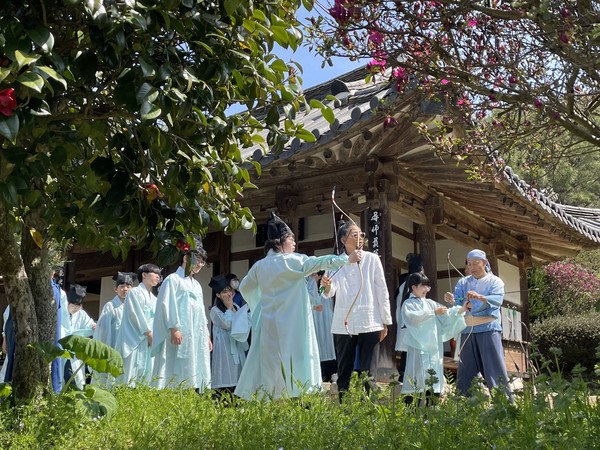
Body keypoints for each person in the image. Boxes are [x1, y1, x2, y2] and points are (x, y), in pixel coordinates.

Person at [234, 211, 362, 400]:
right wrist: (346, 259)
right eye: (291, 240)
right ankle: (297, 399)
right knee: (297, 361)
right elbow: (320, 262)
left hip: (270, 325)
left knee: (272, 364)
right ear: (281, 242)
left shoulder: (259, 266)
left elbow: (245, 287)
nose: (294, 244)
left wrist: (259, 304)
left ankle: (271, 400)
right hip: (293, 324)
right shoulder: (293, 261)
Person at [322, 220, 393, 399]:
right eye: (355, 234)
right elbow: (327, 293)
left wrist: (385, 321)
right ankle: (344, 410)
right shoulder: (335, 261)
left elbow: (381, 289)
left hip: (370, 321)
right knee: (344, 370)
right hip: (343, 322)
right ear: (343, 240)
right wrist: (326, 285)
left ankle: (368, 410)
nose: (360, 237)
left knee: (369, 371)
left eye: (361, 234)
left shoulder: (372, 259)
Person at [444, 249, 513, 401]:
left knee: (494, 369)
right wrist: (452, 299)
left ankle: (505, 407)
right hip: (467, 330)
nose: (472, 267)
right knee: (465, 372)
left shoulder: (495, 282)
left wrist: (481, 298)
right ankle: (464, 406)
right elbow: (459, 301)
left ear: (485, 263)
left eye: (476, 263)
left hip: (488, 330)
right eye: (470, 264)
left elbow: (496, 301)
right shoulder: (463, 282)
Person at [401, 272, 469, 406]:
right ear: (413, 287)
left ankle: (430, 415)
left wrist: (461, 310)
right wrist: (433, 313)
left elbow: (447, 315)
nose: (426, 289)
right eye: (423, 286)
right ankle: (411, 412)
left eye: (428, 286)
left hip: (434, 348)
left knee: (434, 378)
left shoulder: (431, 303)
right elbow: (413, 318)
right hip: (418, 347)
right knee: (417, 377)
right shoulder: (408, 304)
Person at [152, 245, 212, 391]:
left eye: (202, 262)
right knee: (176, 364)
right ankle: (174, 392)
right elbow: (167, 304)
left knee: (195, 363)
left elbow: (201, 311)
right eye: (197, 260)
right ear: (186, 258)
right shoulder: (173, 279)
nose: (200, 264)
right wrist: (174, 328)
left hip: (196, 332)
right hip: (180, 331)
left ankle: (192, 393)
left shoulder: (197, 285)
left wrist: (207, 335)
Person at [116, 264, 160, 387]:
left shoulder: (155, 299)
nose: (158, 277)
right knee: (131, 374)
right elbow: (135, 315)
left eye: (159, 275)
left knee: (147, 374)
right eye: (155, 274)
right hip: (135, 339)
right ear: (144, 275)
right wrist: (148, 332)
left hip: (148, 340)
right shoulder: (134, 293)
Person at [93, 272, 135, 387]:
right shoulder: (110, 306)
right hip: (113, 344)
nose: (125, 289)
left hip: (129, 347)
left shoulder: (134, 307)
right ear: (116, 289)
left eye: (128, 286)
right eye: (122, 287)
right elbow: (103, 330)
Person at [209, 274, 248, 395]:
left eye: (229, 290)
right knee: (225, 376)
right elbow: (227, 324)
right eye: (224, 292)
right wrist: (229, 307)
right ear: (218, 295)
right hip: (224, 348)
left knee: (238, 376)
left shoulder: (236, 306)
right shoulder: (215, 311)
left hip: (237, 346)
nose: (228, 294)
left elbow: (243, 323)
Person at [59, 284, 96, 389]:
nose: (76, 308)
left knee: (74, 377)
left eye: (78, 305)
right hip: (61, 350)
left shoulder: (82, 314)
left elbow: (90, 325)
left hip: (74, 353)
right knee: (61, 377)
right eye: (73, 304)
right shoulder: (60, 313)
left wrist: (93, 326)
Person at [395, 253, 424, 381]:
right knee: (412, 349)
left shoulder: (403, 285)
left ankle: (403, 375)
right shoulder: (417, 284)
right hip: (413, 322)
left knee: (406, 350)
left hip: (404, 321)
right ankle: (410, 377)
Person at [307, 271, 337, 382]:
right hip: (316, 316)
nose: (312, 276)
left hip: (325, 316)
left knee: (327, 343)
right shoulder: (311, 285)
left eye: (314, 274)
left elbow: (319, 295)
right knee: (318, 342)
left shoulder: (322, 286)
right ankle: (321, 372)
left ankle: (331, 372)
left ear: (319, 276)